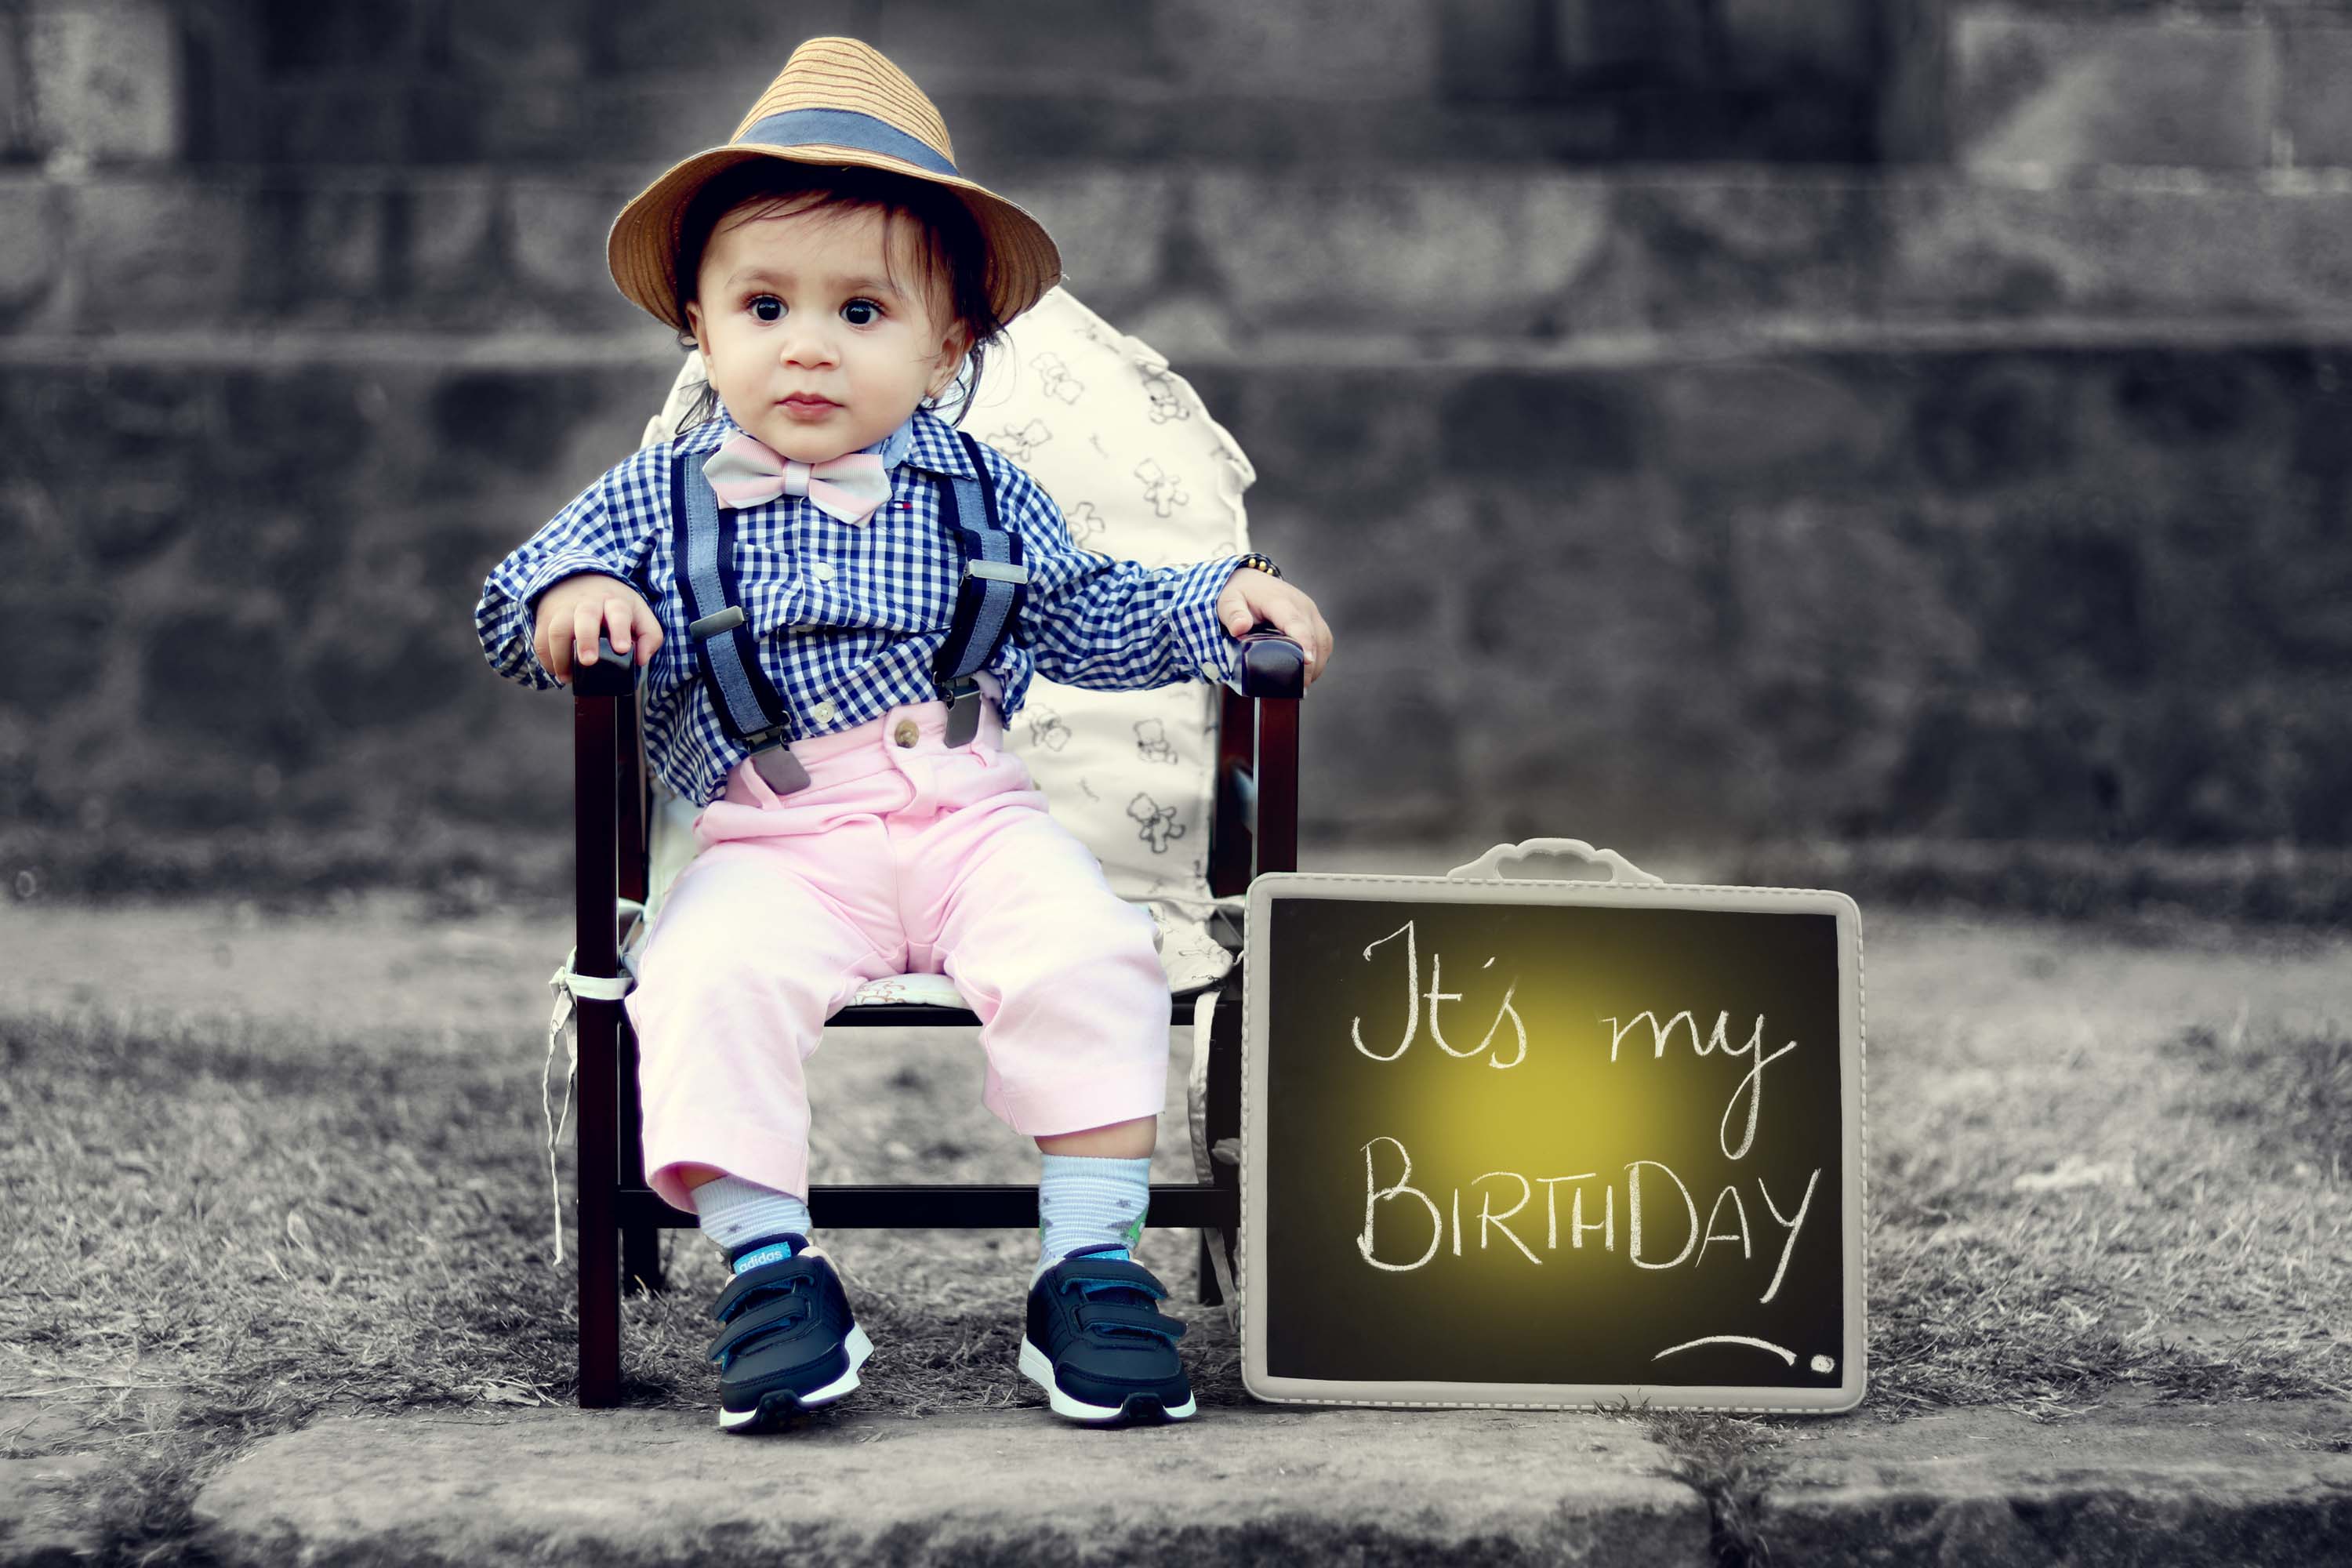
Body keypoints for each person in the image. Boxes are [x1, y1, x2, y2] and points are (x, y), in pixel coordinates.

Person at [473, 37, 1332, 1432]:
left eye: (862, 310)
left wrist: (1215, 598)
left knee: (1092, 955)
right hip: (777, 836)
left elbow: (1091, 611)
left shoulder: (986, 490)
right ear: (700, 327)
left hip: (974, 815)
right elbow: (515, 603)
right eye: (764, 305)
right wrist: (574, 599)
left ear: (948, 349)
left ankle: (1090, 1272)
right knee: (703, 981)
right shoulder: (658, 494)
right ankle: (771, 1269)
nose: (807, 344)